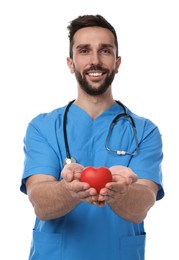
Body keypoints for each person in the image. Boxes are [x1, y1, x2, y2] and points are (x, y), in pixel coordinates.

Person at [20, 14, 164, 260]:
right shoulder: (42, 127)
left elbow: (142, 205)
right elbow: (40, 204)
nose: (95, 60)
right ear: (71, 63)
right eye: (84, 51)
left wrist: (122, 192)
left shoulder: (144, 131)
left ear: (117, 63)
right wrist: (69, 190)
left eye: (105, 51)